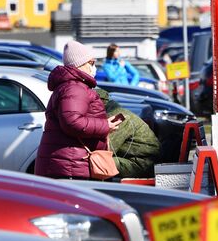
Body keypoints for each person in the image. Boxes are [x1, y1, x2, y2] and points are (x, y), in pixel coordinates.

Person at [35, 40, 122, 179]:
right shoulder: (74, 87)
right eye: (91, 63)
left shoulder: (70, 85)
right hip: (70, 166)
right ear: (80, 64)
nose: (94, 68)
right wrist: (105, 126)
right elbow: (72, 122)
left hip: (69, 162)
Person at [96, 88, 161, 178]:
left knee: (98, 162)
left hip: (143, 164)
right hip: (137, 161)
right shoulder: (112, 112)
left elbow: (104, 149)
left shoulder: (117, 117)